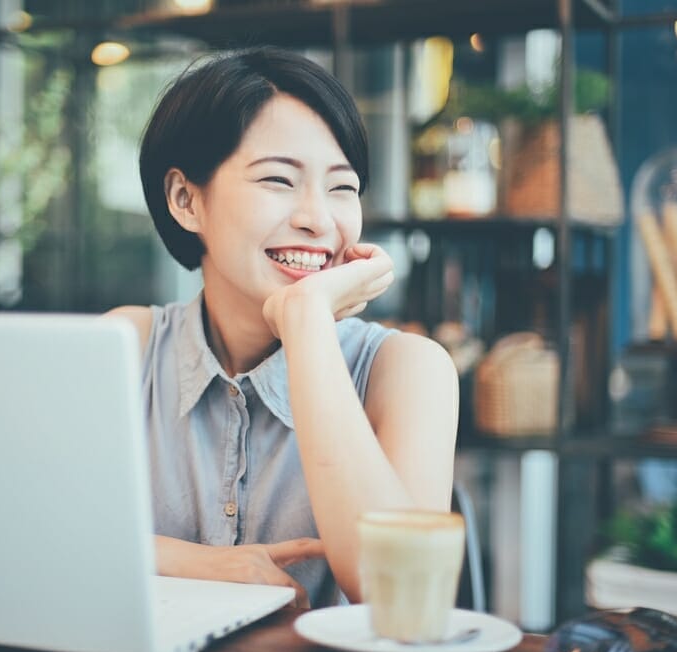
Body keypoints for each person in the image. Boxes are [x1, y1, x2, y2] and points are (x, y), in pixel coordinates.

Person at [106, 47, 458, 609]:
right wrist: (200, 563)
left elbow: (404, 593)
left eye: (342, 188)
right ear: (185, 199)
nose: (318, 218)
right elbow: (24, 530)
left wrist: (308, 323)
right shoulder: (125, 347)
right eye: (279, 180)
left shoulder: (410, 369)